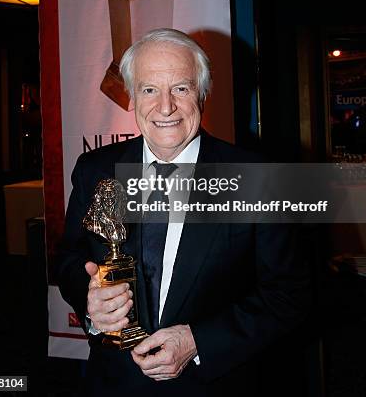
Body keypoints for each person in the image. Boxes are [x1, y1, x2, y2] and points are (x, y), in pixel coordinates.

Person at [57, 28, 310, 396]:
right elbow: (68, 257)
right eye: (149, 89)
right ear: (131, 95)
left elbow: (290, 294)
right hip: (113, 383)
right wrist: (90, 301)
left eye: (181, 88)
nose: (165, 107)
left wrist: (199, 341)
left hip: (212, 384)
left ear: (202, 93)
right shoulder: (95, 169)